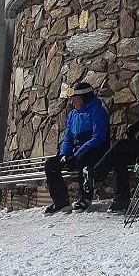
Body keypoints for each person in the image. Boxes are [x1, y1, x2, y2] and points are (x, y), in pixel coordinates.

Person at [90, 84, 139, 213]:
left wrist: (138, 133)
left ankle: (95, 174)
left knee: (121, 145)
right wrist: (137, 133)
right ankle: (120, 201)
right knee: (118, 159)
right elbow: (133, 129)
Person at [43, 82, 109, 214]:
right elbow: (68, 138)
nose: (72, 102)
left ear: (85, 97)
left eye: (75, 99)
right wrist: (64, 154)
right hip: (77, 152)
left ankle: (85, 197)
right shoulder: (73, 115)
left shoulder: (97, 111)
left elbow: (98, 138)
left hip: (95, 151)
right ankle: (60, 202)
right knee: (51, 164)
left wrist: (76, 155)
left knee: (83, 160)